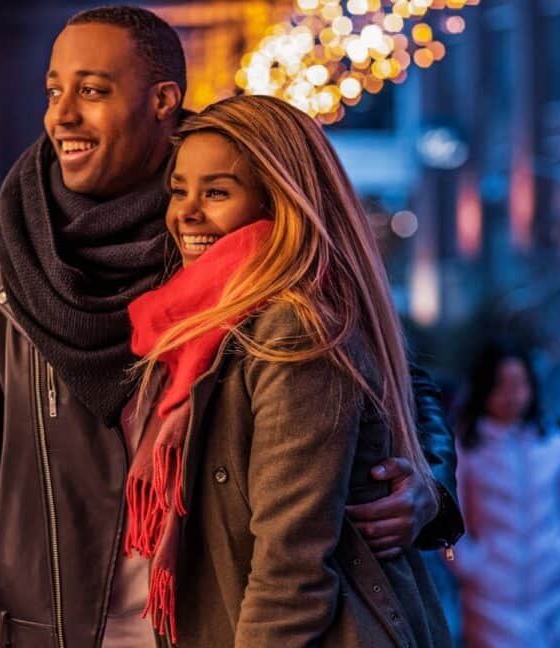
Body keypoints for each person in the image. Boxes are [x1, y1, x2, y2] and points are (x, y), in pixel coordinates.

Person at [0, 7, 463, 647]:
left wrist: (428, 483)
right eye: (54, 91)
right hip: (52, 632)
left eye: (92, 90)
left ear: (163, 98)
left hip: (214, 621)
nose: (61, 115)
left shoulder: (229, 234)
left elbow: (389, 377)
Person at [117, 94, 451, 646]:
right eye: (180, 190)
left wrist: (434, 485)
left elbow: (290, 568)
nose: (187, 212)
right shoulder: (198, 320)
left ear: (278, 201)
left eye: (217, 192)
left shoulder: (291, 331)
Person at [448, 341, 560, 647]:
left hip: (555, 597)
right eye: (502, 385)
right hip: (489, 600)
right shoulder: (466, 449)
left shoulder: (557, 445)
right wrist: (464, 563)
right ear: (485, 387)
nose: (512, 395)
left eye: (519, 384)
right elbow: (450, 527)